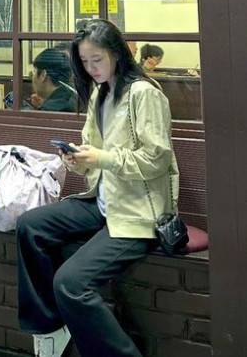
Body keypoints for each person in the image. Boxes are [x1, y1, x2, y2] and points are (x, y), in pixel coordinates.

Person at [16, 19, 178, 357]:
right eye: (85, 62)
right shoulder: (100, 93)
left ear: (116, 53)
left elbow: (156, 159)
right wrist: (77, 160)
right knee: (30, 225)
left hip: (138, 212)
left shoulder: (144, 93)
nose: (91, 69)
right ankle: (50, 326)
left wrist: (100, 158)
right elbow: (95, 153)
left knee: (71, 283)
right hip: (102, 201)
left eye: (97, 60)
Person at [24, 48, 77, 112]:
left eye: (34, 71)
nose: (33, 77)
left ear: (43, 75)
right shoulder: (74, 96)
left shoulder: (49, 110)